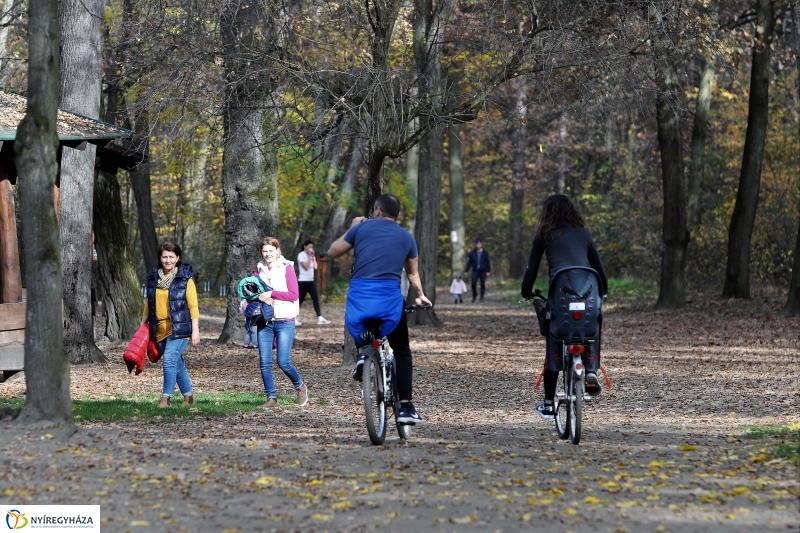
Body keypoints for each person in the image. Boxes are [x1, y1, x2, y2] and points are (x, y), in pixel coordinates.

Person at [327, 193, 431, 425]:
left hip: (361, 298)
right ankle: (406, 407)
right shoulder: (407, 237)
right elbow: (412, 274)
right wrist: (420, 295)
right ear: (399, 214)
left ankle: (363, 355)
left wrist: (352, 227)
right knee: (402, 350)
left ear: (377, 210)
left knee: (362, 324)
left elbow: (332, 252)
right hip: (388, 300)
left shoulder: (360, 229)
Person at [520, 194, 608, 420]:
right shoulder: (583, 233)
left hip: (560, 296)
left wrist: (526, 291)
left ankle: (549, 404)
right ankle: (591, 370)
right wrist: (604, 290)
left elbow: (531, 269)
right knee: (593, 326)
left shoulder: (545, 234)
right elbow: (598, 267)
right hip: (587, 296)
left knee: (554, 340)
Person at [142, 242, 200, 409]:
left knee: (168, 360)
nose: (168, 260)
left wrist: (195, 330)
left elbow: (193, 306)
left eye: (171, 257)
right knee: (177, 363)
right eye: (164, 257)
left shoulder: (185, 279)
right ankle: (189, 396)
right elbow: (149, 303)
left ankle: (165, 398)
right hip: (159, 329)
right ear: (160, 258)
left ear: (177, 258)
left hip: (179, 330)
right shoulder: (154, 278)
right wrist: (142, 325)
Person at [254, 236, 308, 408]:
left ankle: (300, 386)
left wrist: (272, 293)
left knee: (283, 362)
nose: (268, 254)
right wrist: (255, 298)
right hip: (265, 321)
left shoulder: (287, 268)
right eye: (264, 251)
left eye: (271, 250)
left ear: (277, 250)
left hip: (285, 321)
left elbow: (294, 294)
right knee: (264, 363)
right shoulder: (259, 269)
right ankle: (271, 398)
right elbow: (253, 291)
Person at [297, 239, 331, 325]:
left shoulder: (311, 256)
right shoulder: (301, 255)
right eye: (309, 247)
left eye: (312, 247)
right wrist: (309, 257)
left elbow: (315, 267)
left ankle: (320, 317)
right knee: (300, 300)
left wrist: (313, 257)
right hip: (303, 281)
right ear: (305, 247)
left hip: (310, 281)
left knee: (315, 298)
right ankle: (293, 318)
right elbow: (306, 267)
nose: (310, 249)